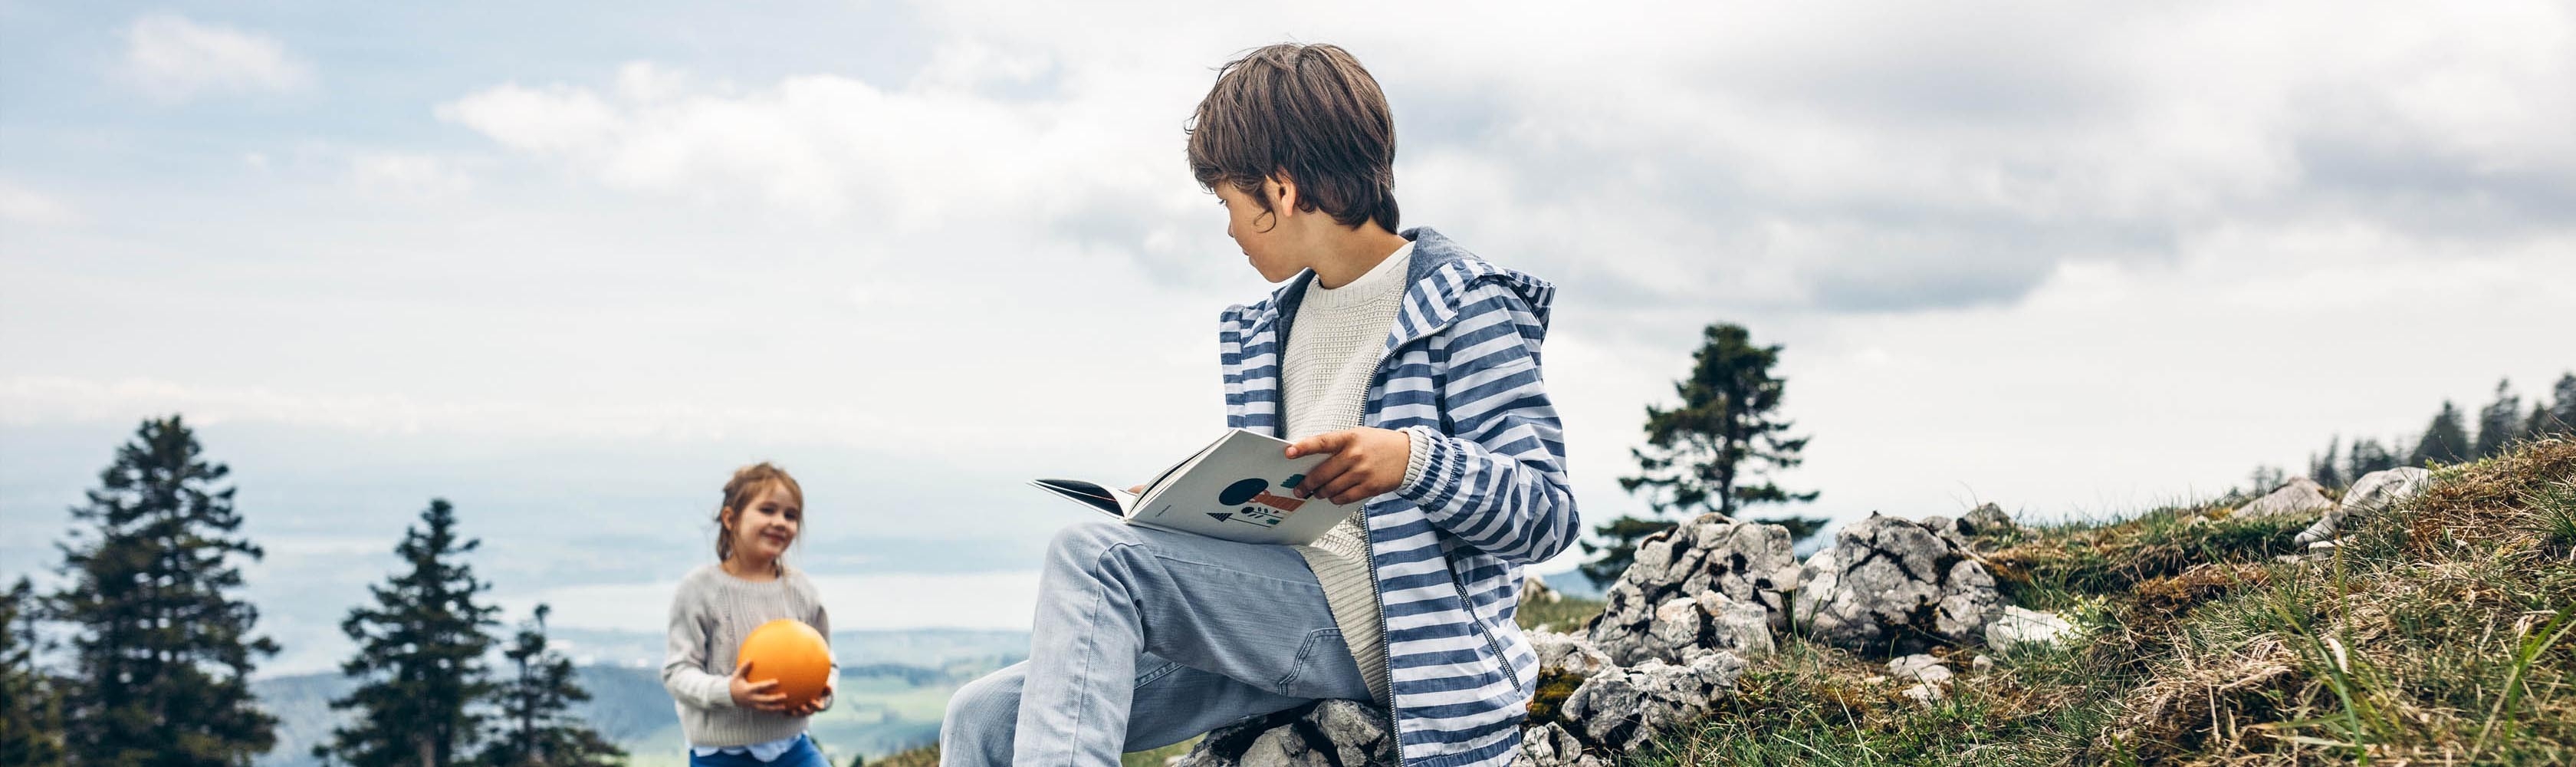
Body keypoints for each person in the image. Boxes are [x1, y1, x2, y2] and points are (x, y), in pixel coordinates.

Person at [942, 42, 1578, 767]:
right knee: (984, 717)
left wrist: (1411, 461)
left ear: (1279, 192)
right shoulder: (1267, 331)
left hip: (1392, 634)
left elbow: (1548, 512)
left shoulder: (1464, 304)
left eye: (1229, 203)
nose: (1229, 228)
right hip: (1277, 620)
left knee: (1094, 558)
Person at [664, 463, 839, 767]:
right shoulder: (698, 590)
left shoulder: (802, 590)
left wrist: (822, 693)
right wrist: (728, 691)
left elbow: (827, 661)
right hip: (719, 755)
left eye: (791, 515)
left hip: (793, 750)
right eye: (768, 510)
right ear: (730, 519)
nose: (780, 522)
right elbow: (677, 673)